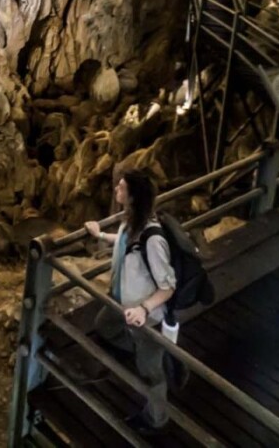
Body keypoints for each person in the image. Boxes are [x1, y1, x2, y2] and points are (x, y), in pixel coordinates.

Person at [85, 168, 176, 434]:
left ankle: (157, 418)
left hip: (144, 313)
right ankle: (134, 349)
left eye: (121, 188)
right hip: (121, 300)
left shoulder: (153, 239)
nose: (116, 190)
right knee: (103, 325)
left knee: (151, 372)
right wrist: (100, 234)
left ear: (133, 196)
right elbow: (124, 240)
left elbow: (168, 287)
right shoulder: (132, 221)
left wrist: (143, 309)